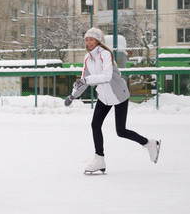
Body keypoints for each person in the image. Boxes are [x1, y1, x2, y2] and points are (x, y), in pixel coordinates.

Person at [64, 27, 161, 174]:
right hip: (104, 97)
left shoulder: (105, 54)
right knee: (95, 125)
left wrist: (86, 79)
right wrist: (73, 95)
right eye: (86, 39)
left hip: (119, 95)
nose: (89, 42)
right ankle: (99, 159)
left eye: (92, 39)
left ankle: (150, 143)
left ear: (98, 40)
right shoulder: (87, 58)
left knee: (121, 131)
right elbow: (84, 80)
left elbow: (106, 76)